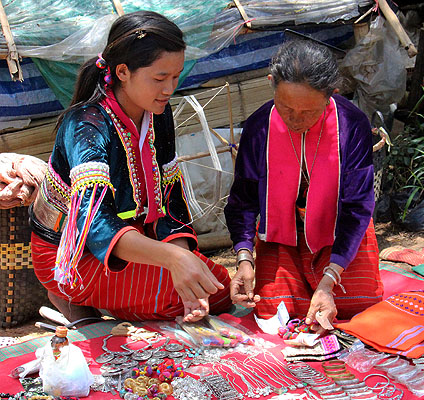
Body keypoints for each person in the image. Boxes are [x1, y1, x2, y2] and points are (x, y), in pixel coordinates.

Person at [29, 11, 231, 323]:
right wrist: (172, 260)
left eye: (176, 77)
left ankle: (112, 300)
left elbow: (170, 202)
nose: (169, 89)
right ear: (123, 71)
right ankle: (69, 293)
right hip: (72, 255)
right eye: (160, 78)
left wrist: (182, 259)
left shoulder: (158, 114)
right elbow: (93, 224)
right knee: (174, 297)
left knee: (216, 288)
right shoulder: (86, 124)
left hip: (136, 236)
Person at [224, 40, 384, 330]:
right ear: (271, 84)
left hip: (338, 232)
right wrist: (245, 258)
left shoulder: (352, 124)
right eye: (286, 108)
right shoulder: (259, 126)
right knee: (274, 311)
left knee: (356, 304)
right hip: (282, 236)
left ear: (330, 95)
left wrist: (329, 280)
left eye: (309, 112)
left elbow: (357, 206)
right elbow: (243, 200)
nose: (296, 120)